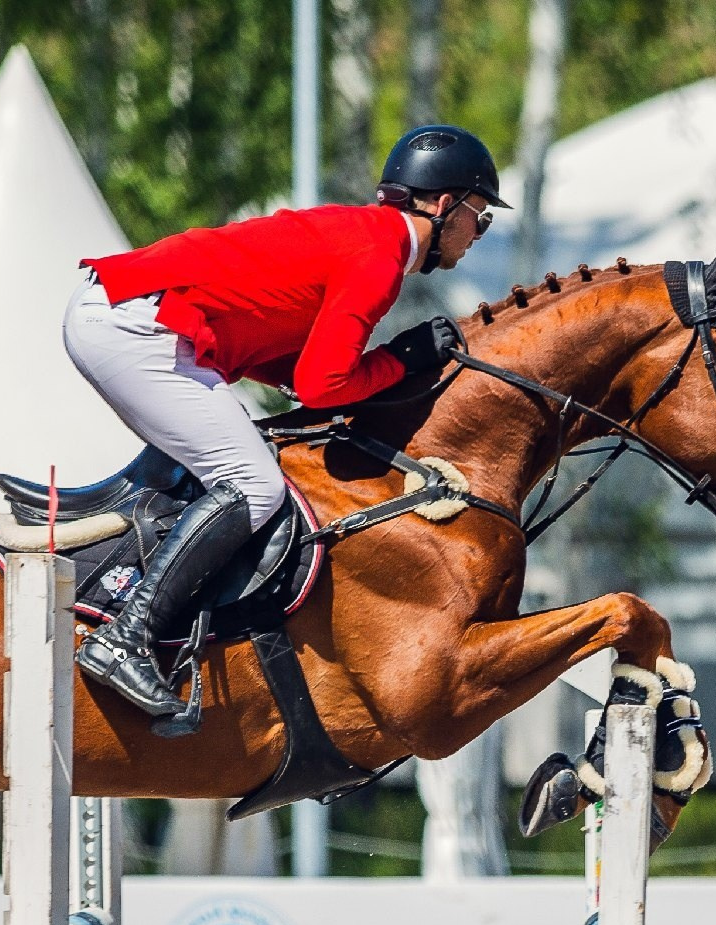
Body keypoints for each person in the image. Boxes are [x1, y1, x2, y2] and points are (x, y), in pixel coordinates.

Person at [64, 124, 506, 724]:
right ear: (442, 203)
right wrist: (400, 361)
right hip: (136, 324)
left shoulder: (368, 234)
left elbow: (299, 374)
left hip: (127, 313)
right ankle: (128, 636)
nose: (478, 234)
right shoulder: (380, 253)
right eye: (478, 217)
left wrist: (383, 368)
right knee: (255, 487)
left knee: (239, 457)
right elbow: (326, 386)